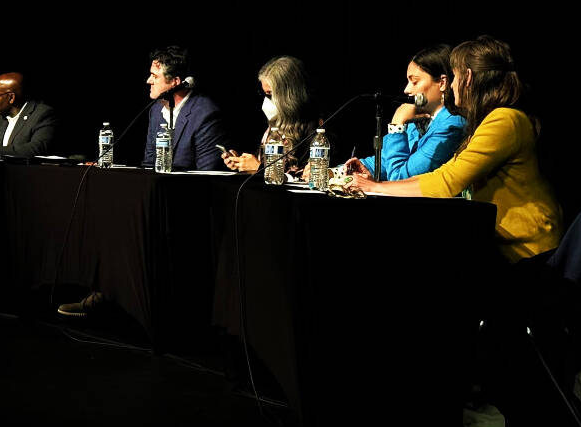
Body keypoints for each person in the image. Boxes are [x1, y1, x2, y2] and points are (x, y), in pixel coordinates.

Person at [352, 36, 561, 263]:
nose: (452, 85)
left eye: (456, 76)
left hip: (528, 251)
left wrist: (376, 188)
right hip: (504, 247)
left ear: (468, 77)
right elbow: (446, 173)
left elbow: (447, 181)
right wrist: (370, 183)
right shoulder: (490, 119)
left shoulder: (505, 119)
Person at [343, 44, 466, 181]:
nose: (406, 90)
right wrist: (335, 172)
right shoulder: (417, 122)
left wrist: (397, 125)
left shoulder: (452, 126)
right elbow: (385, 161)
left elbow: (399, 177)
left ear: (442, 83)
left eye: (414, 82)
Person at [222, 55, 319, 175]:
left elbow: (309, 175)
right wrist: (241, 163)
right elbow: (262, 166)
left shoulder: (313, 128)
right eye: (264, 94)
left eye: (270, 94)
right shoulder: (274, 126)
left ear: (289, 95)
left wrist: (259, 168)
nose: (266, 100)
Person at [139, 46, 227, 171]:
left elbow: (207, 175)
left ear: (175, 81)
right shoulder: (156, 110)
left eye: (155, 76)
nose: (149, 81)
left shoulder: (205, 114)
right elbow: (149, 165)